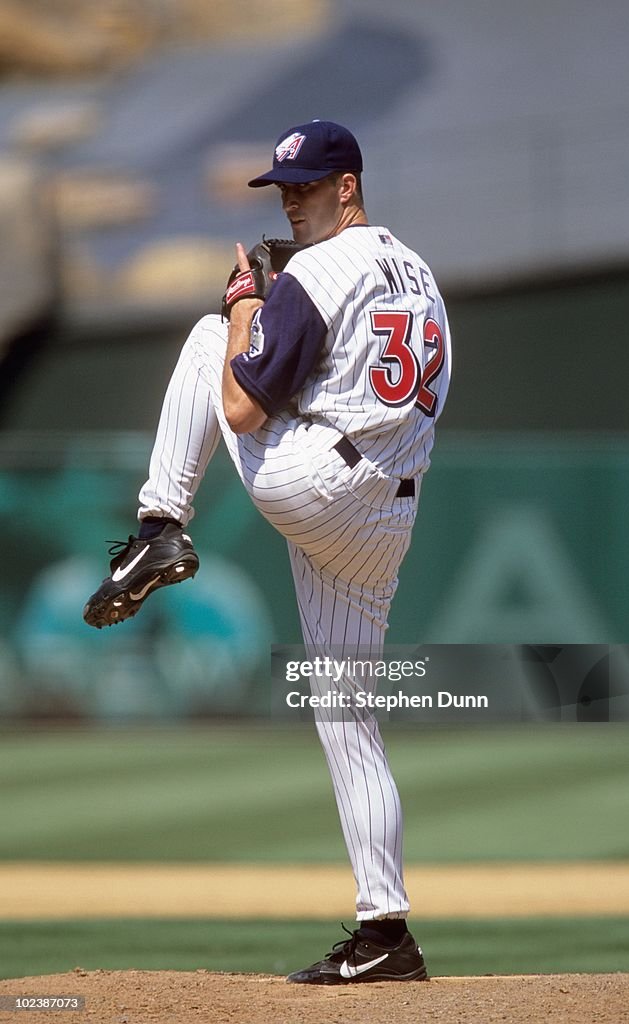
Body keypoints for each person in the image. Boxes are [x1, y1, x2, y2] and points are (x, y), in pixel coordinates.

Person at [83, 120, 452, 984]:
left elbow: (244, 411)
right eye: (283, 187)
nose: (292, 198)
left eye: (307, 185)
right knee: (346, 715)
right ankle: (385, 933)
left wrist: (248, 298)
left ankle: (158, 523)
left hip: (319, 486)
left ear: (348, 187)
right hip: (389, 508)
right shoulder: (422, 271)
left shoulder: (317, 271)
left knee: (213, 340)